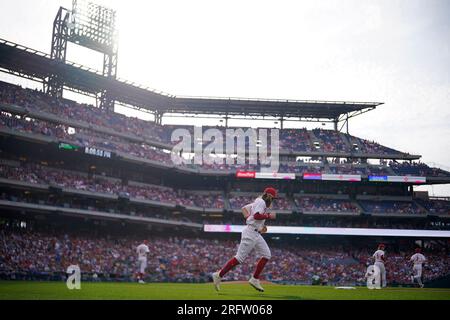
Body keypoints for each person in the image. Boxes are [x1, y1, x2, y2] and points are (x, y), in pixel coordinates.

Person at [212, 187, 277, 292]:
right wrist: (268, 216)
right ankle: (219, 275)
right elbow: (256, 216)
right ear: (269, 196)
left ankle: (254, 279)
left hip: (255, 233)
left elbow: (244, 208)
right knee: (239, 258)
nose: (273, 201)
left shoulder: (259, 201)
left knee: (266, 255)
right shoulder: (261, 201)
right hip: (250, 233)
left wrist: (258, 225)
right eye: (273, 198)